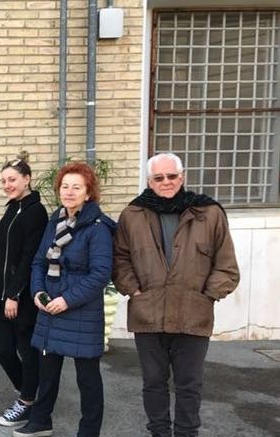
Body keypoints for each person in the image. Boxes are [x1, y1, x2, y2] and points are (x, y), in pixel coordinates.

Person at [112, 153, 239, 437]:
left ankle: (186, 433)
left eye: (171, 176)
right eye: (159, 177)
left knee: (189, 383)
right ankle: (159, 432)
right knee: (153, 382)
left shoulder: (208, 213)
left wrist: (206, 295)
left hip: (193, 313)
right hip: (148, 313)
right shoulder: (132, 215)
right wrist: (134, 289)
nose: (166, 182)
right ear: (149, 181)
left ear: (182, 177)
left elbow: (226, 265)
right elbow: (120, 260)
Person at [14, 162, 115, 437]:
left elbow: (100, 274)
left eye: (76, 187)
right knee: (47, 373)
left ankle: (88, 432)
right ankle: (40, 421)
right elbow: (38, 262)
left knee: (88, 380)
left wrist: (66, 300)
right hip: (49, 308)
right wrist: (37, 293)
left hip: (80, 312)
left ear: (88, 193)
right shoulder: (54, 222)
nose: (69, 192)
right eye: (65, 186)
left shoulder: (98, 227)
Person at [0, 153, 48, 427]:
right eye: (4, 180)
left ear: (27, 179)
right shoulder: (12, 208)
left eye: (12, 179)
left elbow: (29, 258)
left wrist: (14, 294)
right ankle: (28, 392)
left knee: (26, 351)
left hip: (21, 298)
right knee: (3, 350)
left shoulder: (35, 211)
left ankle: (26, 403)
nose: (7, 184)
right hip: (4, 296)